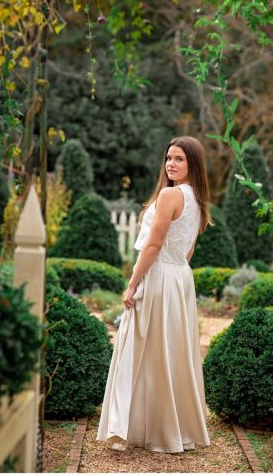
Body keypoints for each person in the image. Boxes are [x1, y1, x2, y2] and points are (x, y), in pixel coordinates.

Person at [96, 136, 212, 453]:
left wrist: (133, 284)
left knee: (140, 348)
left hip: (160, 274)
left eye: (179, 159)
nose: (171, 164)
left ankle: (137, 426)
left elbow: (153, 246)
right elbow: (187, 251)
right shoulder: (197, 199)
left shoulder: (170, 194)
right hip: (179, 279)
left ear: (193, 165)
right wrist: (175, 276)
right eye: (168, 158)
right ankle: (165, 427)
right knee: (169, 351)